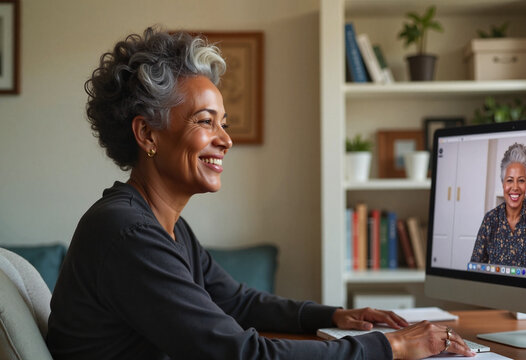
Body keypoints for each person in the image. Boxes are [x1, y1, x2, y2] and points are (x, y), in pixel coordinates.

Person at [45, 27, 475, 360]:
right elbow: (241, 353)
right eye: (205, 121)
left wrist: (335, 317)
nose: (225, 140)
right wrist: (392, 347)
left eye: (224, 123)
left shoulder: (161, 226)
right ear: (147, 134)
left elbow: (239, 301)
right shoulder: (127, 234)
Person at [470, 143, 526, 281]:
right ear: (503, 183)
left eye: (521, 181)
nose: (515, 187)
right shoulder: (490, 219)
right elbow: (475, 267)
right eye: (510, 180)